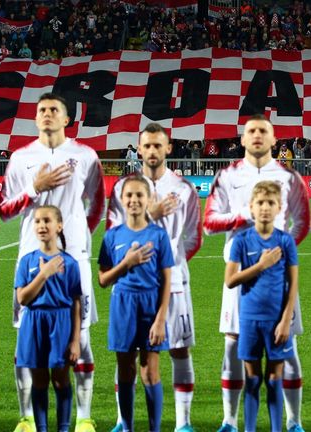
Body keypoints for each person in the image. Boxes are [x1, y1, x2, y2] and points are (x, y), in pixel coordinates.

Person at [0, 93, 104, 432]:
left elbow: (97, 203)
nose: (47, 114)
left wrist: (78, 235)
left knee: (81, 337)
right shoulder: (21, 158)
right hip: (31, 256)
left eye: (54, 110)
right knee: (26, 341)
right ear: (35, 118)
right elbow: (5, 209)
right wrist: (34, 187)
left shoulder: (86, 156)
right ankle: (27, 417)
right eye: (41, 110)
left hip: (75, 258)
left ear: (66, 118)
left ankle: (84, 417)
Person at [204, 114, 310, 432]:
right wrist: (244, 217)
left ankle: (293, 421)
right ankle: (230, 420)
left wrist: (281, 250)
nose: (257, 135)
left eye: (264, 130)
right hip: (239, 274)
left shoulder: (289, 177)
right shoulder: (227, 176)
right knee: (232, 345)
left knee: (286, 347)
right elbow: (209, 222)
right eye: (251, 131)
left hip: (278, 276)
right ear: (242, 139)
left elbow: (302, 222)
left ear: (274, 139)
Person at [106, 123, 201, 432]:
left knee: (179, 348)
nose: (152, 151)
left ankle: (183, 423)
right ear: (139, 148)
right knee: (128, 353)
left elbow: (193, 237)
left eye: (158, 146)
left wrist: (169, 260)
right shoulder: (124, 188)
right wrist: (151, 215)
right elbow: (113, 233)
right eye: (147, 146)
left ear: (168, 148)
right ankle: (124, 421)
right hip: (132, 284)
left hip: (174, 283)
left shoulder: (184, 188)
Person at [98, 176, 174, 432]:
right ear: (121, 199)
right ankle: (127, 427)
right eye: (129, 195)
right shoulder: (112, 236)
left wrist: (161, 318)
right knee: (126, 370)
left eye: (139, 195)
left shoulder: (159, 235)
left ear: (149, 199)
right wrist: (126, 264)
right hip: (123, 305)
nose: (134, 200)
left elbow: (166, 280)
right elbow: (103, 280)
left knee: (150, 372)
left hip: (151, 306)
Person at [224, 181, 299, 432]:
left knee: (275, 379)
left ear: (279, 208)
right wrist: (261, 265)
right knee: (253, 379)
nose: (265, 208)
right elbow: (230, 280)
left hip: (277, 321)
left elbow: (293, 283)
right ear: (251, 208)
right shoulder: (241, 242)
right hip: (249, 319)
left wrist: (287, 318)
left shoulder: (285, 242)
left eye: (270, 203)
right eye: (260, 203)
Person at [15, 205, 81, 432]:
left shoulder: (70, 263)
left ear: (59, 226)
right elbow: (22, 298)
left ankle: (63, 428)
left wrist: (75, 340)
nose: (42, 226)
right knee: (39, 380)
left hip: (60, 324)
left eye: (47, 221)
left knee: (61, 380)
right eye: (37, 221)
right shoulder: (27, 262)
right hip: (34, 323)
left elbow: (76, 303)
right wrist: (43, 274)